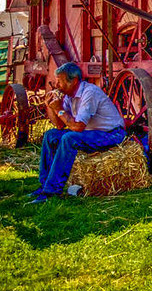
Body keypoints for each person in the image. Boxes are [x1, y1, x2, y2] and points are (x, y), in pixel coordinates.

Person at [30, 62, 126, 203]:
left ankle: (52, 191)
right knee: (50, 135)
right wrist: (50, 106)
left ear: (74, 81)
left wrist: (59, 110)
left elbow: (78, 127)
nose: (56, 86)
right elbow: (59, 125)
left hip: (111, 134)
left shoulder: (89, 92)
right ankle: (44, 185)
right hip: (92, 133)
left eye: (60, 82)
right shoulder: (69, 95)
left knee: (70, 138)